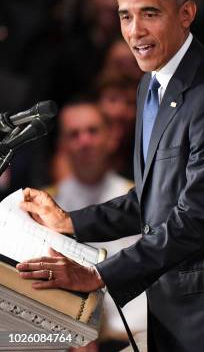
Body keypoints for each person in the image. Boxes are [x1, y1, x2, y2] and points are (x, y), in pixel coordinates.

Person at [17, 0, 204, 352]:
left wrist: (98, 274)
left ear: (186, 14)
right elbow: (154, 196)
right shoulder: (150, 85)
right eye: (125, 16)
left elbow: (196, 219)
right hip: (172, 313)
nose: (134, 31)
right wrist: (70, 221)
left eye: (150, 14)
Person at [46, 99, 146, 350]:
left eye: (92, 131)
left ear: (111, 137)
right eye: (74, 134)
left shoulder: (140, 200)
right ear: (62, 145)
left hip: (141, 334)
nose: (85, 141)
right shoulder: (46, 205)